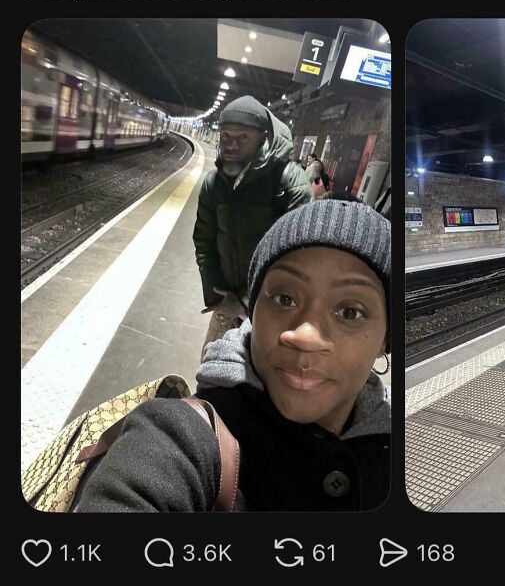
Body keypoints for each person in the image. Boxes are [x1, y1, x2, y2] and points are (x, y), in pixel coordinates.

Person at [74, 198, 391, 511]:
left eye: (350, 312)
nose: (304, 336)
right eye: (284, 298)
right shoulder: (182, 437)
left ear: (385, 340)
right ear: (254, 313)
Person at [193, 96, 311, 351]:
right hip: (225, 307)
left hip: (272, 312)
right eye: (226, 136)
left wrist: (246, 303)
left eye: (242, 137)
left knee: (259, 382)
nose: (231, 145)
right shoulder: (213, 184)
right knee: (211, 376)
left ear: (262, 137)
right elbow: (204, 243)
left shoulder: (289, 182)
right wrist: (219, 300)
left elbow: (297, 258)